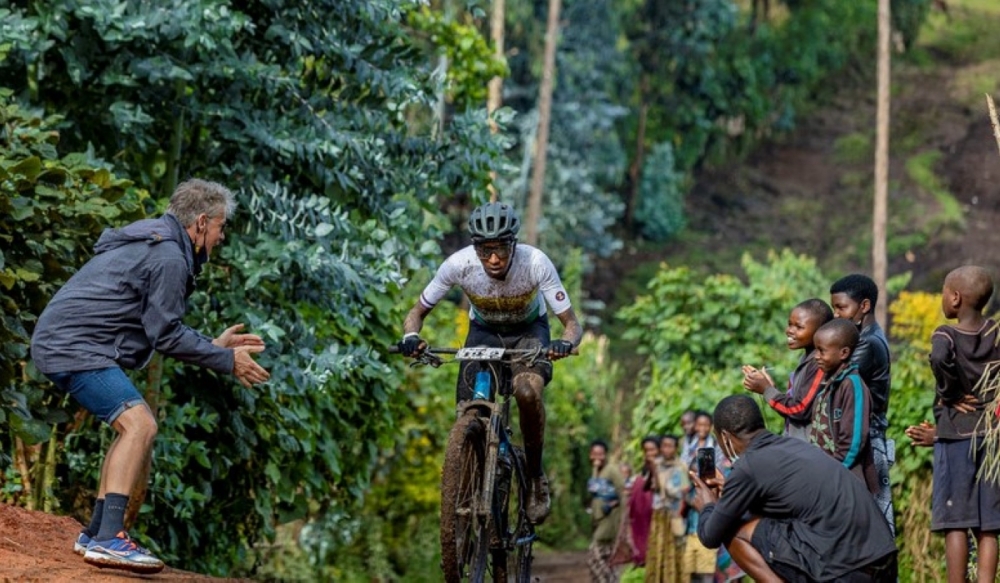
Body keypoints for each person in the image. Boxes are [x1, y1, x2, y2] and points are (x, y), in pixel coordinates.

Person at [30, 179, 271, 574]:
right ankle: (109, 540)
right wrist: (227, 361)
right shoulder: (170, 258)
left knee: (129, 426)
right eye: (220, 227)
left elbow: (162, 327)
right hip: (73, 347)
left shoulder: (155, 243)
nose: (221, 236)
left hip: (65, 341)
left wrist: (213, 346)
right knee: (140, 425)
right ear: (200, 223)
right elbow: (166, 335)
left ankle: (95, 532)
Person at [400, 201, 582, 524]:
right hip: (483, 333)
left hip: (528, 332)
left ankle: (535, 478)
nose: (494, 259)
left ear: (514, 244)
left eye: (500, 249)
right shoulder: (458, 264)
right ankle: (469, 479)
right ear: (475, 249)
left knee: (527, 392)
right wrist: (411, 337)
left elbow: (572, 323)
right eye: (485, 251)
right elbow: (416, 313)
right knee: (470, 409)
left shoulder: (536, 262)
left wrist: (565, 343)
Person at [690, 395, 897, 582]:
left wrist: (708, 504)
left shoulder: (748, 465)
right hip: (883, 556)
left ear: (725, 436)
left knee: (732, 528)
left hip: (846, 569)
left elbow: (710, 536)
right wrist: (731, 493)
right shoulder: (794, 446)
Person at [928, 265, 1000, 583]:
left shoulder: (946, 334)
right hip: (993, 435)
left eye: (943, 292)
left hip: (957, 434)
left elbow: (939, 357)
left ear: (955, 298)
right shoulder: (996, 333)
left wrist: (951, 391)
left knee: (955, 519)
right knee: (989, 522)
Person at [830, 274, 895, 535]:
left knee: (874, 524)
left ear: (864, 306)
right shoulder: (865, 337)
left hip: (868, 442)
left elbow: (834, 380)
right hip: (866, 438)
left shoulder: (867, 343)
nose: (836, 315)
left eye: (841, 307)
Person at [743, 298, 833, 440]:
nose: (789, 331)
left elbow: (800, 410)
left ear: (820, 331)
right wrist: (770, 388)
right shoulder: (805, 360)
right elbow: (791, 410)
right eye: (790, 324)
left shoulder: (819, 363)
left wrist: (767, 390)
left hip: (809, 450)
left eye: (799, 327)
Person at [645, 435, 688, 583]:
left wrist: (679, 513)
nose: (666, 449)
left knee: (675, 551)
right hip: (659, 514)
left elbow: (685, 491)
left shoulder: (681, 466)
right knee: (658, 550)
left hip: (675, 514)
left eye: (670, 446)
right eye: (664, 445)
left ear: (676, 448)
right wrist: (653, 471)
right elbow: (653, 487)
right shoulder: (656, 464)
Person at [588, 439, 627, 583]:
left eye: (600, 454)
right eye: (594, 454)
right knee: (608, 559)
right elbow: (594, 491)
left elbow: (622, 492)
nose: (597, 457)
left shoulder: (611, 470)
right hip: (599, 518)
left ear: (606, 455)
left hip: (610, 517)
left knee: (594, 557)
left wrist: (615, 506)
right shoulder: (596, 470)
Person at [627, 436, 660, 566]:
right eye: (646, 450)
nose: (649, 454)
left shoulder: (668, 468)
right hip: (643, 522)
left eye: (652, 450)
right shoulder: (642, 475)